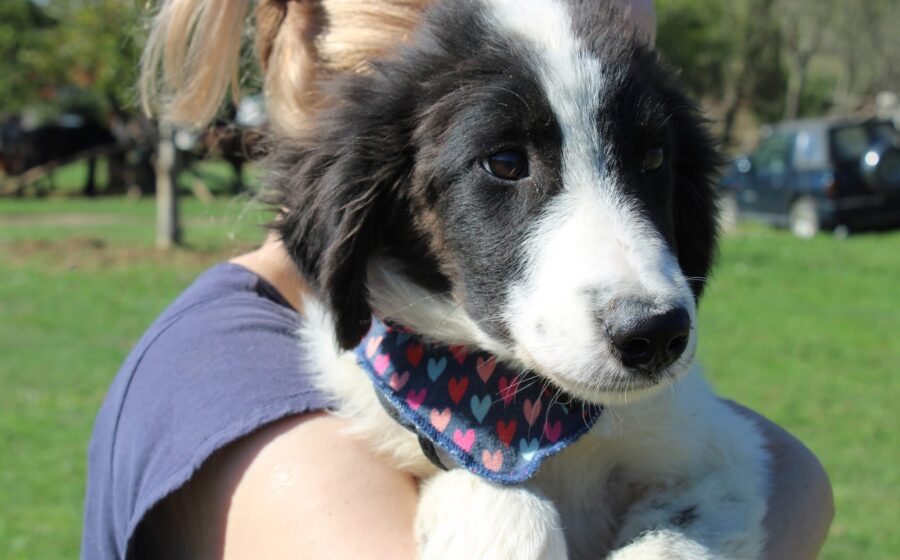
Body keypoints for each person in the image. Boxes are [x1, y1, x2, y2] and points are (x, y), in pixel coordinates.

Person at [82, 1, 834, 558]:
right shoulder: (236, 387)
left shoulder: (569, 377)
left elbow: (749, 470)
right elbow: (789, 480)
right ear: (374, 193)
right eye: (505, 165)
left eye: (648, 160)